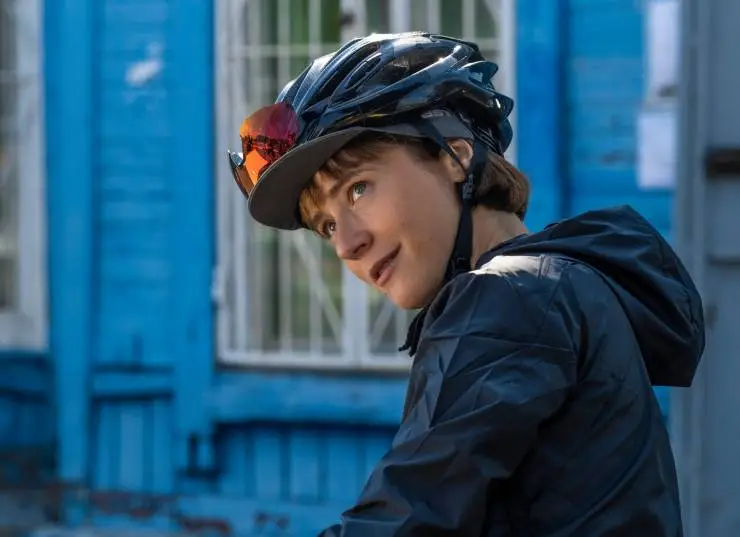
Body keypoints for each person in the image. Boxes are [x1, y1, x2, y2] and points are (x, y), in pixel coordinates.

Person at [227, 32, 705, 536]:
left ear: (455, 157)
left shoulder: (511, 297)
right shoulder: (565, 284)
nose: (346, 243)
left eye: (359, 189)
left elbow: (403, 524)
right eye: (326, 226)